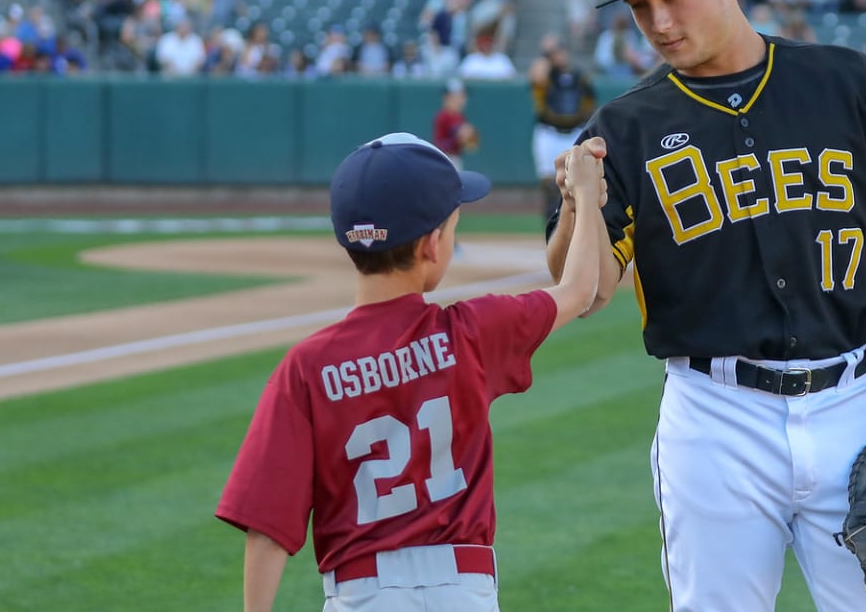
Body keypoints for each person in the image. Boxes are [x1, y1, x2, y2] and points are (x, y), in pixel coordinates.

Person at [543, 0, 866, 612]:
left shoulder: (845, 82)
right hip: (715, 421)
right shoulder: (623, 128)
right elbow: (581, 293)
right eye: (639, 6)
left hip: (851, 408)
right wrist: (577, 204)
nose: (657, 23)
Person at [216, 131, 606, 612]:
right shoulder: (470, 332)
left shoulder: (307, 368)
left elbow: (267, 531)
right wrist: (584, 199)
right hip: (463, 593)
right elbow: (579, 290)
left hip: (361, 596)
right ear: (431, 245)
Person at [529, 35, 596, 220]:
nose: (559, 56)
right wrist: (546, 55)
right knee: (549, 184)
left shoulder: (579, 76)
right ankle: (551, 227)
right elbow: (537, 75)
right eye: (554, 52)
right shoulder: (547, 75)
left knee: (573, 183)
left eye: (560, 51)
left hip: (573, 133)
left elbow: (590, 103)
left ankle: (573, 227)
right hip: (549, 133)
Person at [432, 78, 479, 169]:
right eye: (460, 95)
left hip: (455, 160)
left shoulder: (460, 117)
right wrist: (458, 137)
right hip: (444, 159)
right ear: (448, 97)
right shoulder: (443, 116)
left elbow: (469, 146)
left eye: (464, 95)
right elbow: (439, 145)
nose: (463, 99)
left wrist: (465, 139)